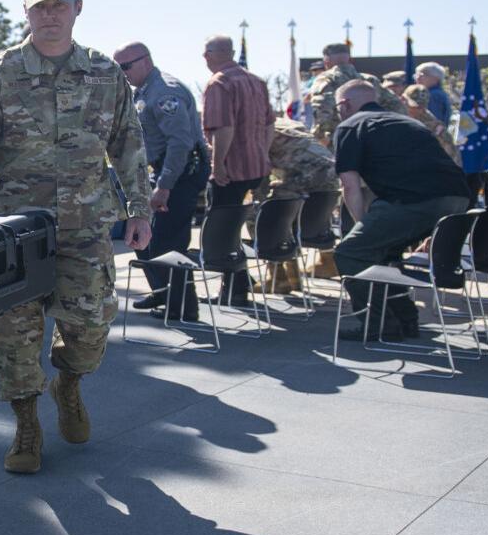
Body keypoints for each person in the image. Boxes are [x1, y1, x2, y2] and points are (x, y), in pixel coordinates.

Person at [0, 0, 152, 475]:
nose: (49, 15)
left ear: (77, 9)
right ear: (26, 12)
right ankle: (26, 425)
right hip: (15, 231)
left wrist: (140, 208)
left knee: (90, 326)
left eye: (59, 6)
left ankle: (69, 383)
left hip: (85, 227)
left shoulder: (106, 74)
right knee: (16, 334)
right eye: (40, 6)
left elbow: (129, 144)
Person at [330, 80, 471, 340]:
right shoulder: (407, 121)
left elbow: (349, 185)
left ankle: (379, 324)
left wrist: (363, 224)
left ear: (344, 104)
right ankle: (406, 320)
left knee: (350, 252)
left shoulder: (350, 125)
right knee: (384, 252)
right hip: (457, 198)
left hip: (415, 200)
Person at [115, 41, 208, 321]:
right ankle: (166, 294)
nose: (123, 74)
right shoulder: (144, 92)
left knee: (167, 242)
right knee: (148, 239)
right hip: (166, 169)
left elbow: (180, 144)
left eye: (125, 67)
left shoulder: (164, 92)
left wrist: (164, 187)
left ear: (145, 61)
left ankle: (183, 307)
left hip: (180, 172)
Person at [200, 33, 274, 303]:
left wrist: (217, 165)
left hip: (231, 170)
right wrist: (263, 154)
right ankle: (239, 283)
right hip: (256, 166)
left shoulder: (220, 82)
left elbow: (224, 128)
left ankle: (236, 289)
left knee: (222, 231)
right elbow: (269, 125)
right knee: (233, 227)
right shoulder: (256, 81)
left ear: (211, 54)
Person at [257, 116, 337, 293]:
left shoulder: (259, 127)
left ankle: (278, 278)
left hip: (309, 175)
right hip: (329, 182)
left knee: (260, 213)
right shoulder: (283, 122)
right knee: (282, 213)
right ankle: (292, 279)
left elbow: (258, 167)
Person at [307, 42, 405, 147]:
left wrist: (320, 136)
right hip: (372, 139)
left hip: (340, 140)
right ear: (350, 59)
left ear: (326, 61)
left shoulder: (326, 79)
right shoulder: (370, 80)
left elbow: (322, 108)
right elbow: (396, 105)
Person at [403, 64, 463, 168]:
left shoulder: (434, 96)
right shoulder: (438, 94)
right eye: (416, 74)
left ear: (435, 78)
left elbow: (431, 124)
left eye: (421, 74)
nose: (417, 77)